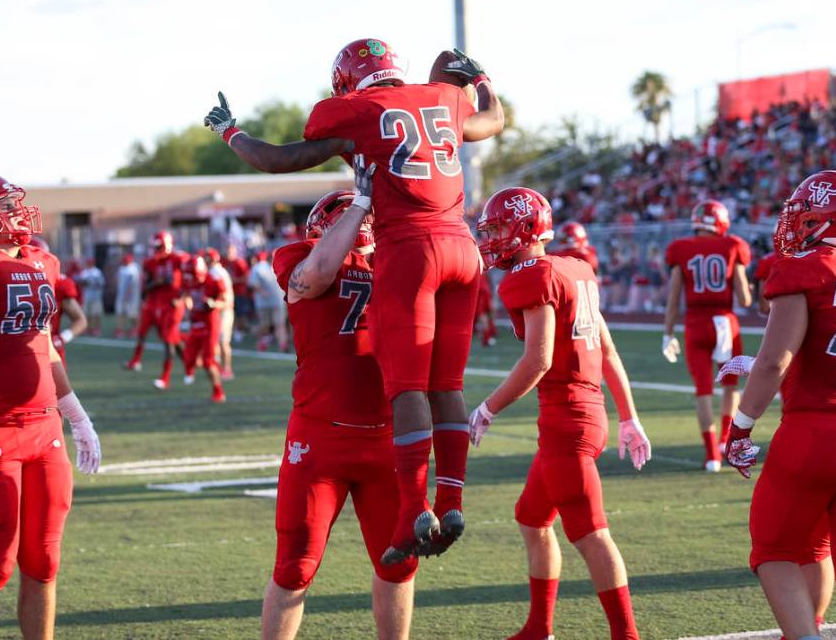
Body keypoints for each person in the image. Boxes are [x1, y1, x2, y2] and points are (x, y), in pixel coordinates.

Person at [205, 41, 504, 562]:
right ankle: (451, 499)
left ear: (346, 80)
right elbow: (492, 121)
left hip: (412, 250)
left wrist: (231, 132)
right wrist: (479, 78)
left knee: (408, 386)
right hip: (463, 247)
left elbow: (278, 160)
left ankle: (415, 507)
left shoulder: (348, 112)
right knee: (448, 385)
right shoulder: (441, 96)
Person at [471, 187, 650, 640]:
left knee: (591, 534)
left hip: (567, 421)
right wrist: (628, 418)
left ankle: (626, 635)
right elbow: (607, 350)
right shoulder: (575, 267)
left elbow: (538, 359)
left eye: (496, 228)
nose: (491, 238)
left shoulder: (534, 275)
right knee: (531, 519)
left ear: (523, 228)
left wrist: (488, 408)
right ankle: (539, 627)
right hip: (586, 415)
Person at [716, 170, 836, 639]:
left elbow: (776, 361)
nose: (798, 224)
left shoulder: (805, 267)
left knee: (773, 550)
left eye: (807, 216)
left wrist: (741, 428)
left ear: (828, 220)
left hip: (816, 435)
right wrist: (755, 363)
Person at [0, 173, 101, 639]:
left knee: (44, 561)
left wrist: (77, 417)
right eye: (4, 206)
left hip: (44, 427)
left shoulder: (40, 262)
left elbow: (45, 348)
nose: (17, 213)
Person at [266, 158, 417, 639]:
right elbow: (320, 272)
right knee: (295, 568)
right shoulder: (297, 257)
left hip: (389, 439)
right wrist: (363, 203)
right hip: (319, 442)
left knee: (399, 565)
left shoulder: (396, 263)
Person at [662, 200, 752, 471]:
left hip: (696, 323)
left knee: (703, 390)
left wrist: (668, 333)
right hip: (725, 322)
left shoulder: (681, 249)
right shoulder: (732, 245)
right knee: (730, 385)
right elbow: (745, 299)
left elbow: (674, 297)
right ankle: (726, 440)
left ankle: (712, 453)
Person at [125, 231, 187, 390]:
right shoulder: (150, 262)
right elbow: (145, 287)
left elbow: (190, 281)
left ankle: (165, 378)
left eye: (158, 247)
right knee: (146, 332)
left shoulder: (179, 259)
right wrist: (158, 282)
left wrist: (183, 297)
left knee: (169, 340)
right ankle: (189, 362)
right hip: (154, 303)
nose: (155, 250)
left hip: (172, 304)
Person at [27, 238, 87, 366]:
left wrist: (61, 338)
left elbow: (81, 320)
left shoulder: (60, 284)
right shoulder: (5, 279)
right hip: (18, 351)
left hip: (50, 352)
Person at [181, 255, 227, 403]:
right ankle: (215, 367)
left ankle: (218, 392)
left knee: (207, 361)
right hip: (196, 321)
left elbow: (226, 302)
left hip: (210, 323)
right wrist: (188, 305)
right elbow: (187, 295)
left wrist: (213, 303)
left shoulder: (214, 281)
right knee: (189, 357)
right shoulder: (189, 281)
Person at [204, 248, 235, 379]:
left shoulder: (216, 272)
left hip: (224, 310)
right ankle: (218, 366)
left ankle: (227, 369)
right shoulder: (214, 271)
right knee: (215, 341)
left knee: (223, 342)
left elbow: (225, 298)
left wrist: (214, 303)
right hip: (218, 309)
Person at [249, 251, 289, 353]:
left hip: (278, 301)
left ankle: (283, 345)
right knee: (265, 325)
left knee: (279, 323)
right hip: (263, 303)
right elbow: (253, 284)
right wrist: (262, 292)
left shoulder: (282, 266)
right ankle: (261, 342)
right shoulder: (259, 268)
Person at [223, 244, 251, 340]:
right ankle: (234, 331)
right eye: (227, 251)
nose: (228, 254)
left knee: (241, 314)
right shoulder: (224, 262)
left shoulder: (240, 262)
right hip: (228, 293)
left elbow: (246, 277)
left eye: (230, 252)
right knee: (231, 313)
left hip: (239, 292)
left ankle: (242, 330)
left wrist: (235, 280)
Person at [114, 253, 141, 338]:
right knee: (120, 313)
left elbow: (132, 284)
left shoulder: (134, 269)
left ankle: (134, 330)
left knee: (133, 314)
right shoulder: (122, 268)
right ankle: (120, 329)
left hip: (132, 297)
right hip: (121, 295)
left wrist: (127, 295)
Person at [76, 259, 105, 336]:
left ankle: (96, 329)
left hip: (96, 295)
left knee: (96, 313)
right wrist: (85, 282)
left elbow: (101, 283)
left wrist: (91, 283)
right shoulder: (85, 272)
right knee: (86, 313)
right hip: (87, 296)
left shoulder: (97, 272)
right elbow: (81, 283)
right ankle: (88, 328)